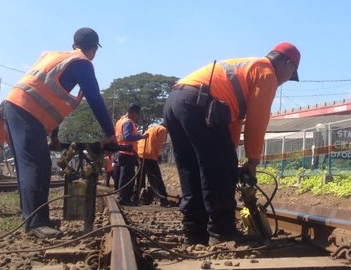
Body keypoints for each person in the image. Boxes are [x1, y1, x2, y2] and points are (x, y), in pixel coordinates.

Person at [163, 42, 300, 245]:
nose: (285, 81)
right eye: (291, 75)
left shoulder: (245, 69)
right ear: (288, 64)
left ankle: (195, 233)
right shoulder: (266, 72)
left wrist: (230, 157)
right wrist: (252, 162)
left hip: (176, 102)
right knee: (219, 170)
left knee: (191, 169)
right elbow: (257, 121)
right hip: (199, 103)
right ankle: (222, 232)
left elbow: (233, 123)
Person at [4, 27, 116, 238]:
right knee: (36, 165)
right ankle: (35, 223)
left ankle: (34, 218)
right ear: (94, 48)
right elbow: (95, 99)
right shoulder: (81, 63)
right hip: (25, 109)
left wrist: (53, 136)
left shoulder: (58, 58)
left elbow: (50, 99)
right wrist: (110, 133)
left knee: (32, 164)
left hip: (17, 106)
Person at [115, 104, 147, 206]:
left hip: (121, 152)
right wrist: (141, 136)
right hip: (128, 153)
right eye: (136, 115)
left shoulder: (120, 121)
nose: (136, 117)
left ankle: (122, 197)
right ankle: (125, 199)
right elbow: (128, 136)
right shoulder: (128, 122)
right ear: (133, 112)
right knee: (128, 177)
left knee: (123, 176)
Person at [135, 123, 170, 207]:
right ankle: (163, 198)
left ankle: (136, 196)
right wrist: (156, 157)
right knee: (156, 178)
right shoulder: (162, 129)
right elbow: (158, 145)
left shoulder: (151, 128)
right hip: (149, 154)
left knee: (140, 177)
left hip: (140, 152)